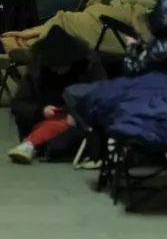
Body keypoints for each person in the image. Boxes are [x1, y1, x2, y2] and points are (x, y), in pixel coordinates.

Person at [0, 0, 167, 70]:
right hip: (117, 22)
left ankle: (2, 46)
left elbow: (151, 21)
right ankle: (13, 48)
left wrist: (114, 8)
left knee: (64, 21)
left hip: (123, 32)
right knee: (63, 24)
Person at [7, 28, 105, 165]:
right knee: (55, 127)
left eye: (62, 66)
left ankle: (30, 144)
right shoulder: (37, 71)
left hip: (79, 120)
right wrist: (41, 111)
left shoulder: (89, 66)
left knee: (62, 129)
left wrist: (80, 114)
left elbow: (102, 97)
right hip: (46, 117)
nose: (59, 71)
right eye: (54, 67)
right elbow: (19, 104)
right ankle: (32, 144)